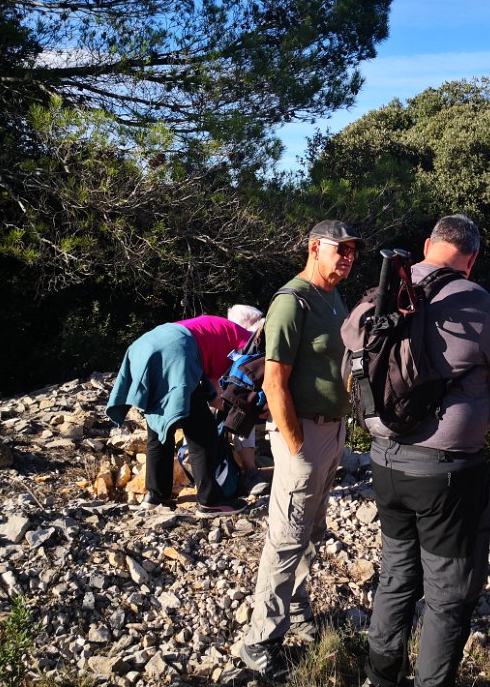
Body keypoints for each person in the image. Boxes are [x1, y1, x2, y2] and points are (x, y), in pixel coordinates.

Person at [356, 214, 490, 687]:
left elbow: (353, 353)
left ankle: (381, 676)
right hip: (446, 473)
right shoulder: (475, 299)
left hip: (385, 460)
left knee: (396, 574)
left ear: (429, 244)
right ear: (473, 258)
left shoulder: (380, 294)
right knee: (448, 594)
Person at [239, 219, 365, 679]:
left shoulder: (334, 298)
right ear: (314, 248)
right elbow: (274, 382)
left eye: (353, 251)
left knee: (311, 530)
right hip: (304, 434)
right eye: (340, 248)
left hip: (332, 431)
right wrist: (295, 447)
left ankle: (295, 612)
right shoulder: (292, 301)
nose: (348, 257)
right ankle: (259, 642)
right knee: (286, 538)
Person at [106, 314, 252, 516]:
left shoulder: (227, 330)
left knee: (160, 428)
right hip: (175, 351)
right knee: (203, 431)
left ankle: (156, 497)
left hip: (143, 347)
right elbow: (216, 398)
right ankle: (210, 501)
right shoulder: (244, 347)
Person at [225, 303, 270, 495]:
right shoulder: (245, 341)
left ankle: (251, 473)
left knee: (241, 411)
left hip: (268, 398)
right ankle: (251, 473)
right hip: (255, 400)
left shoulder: (254, 338)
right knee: (242, 410)